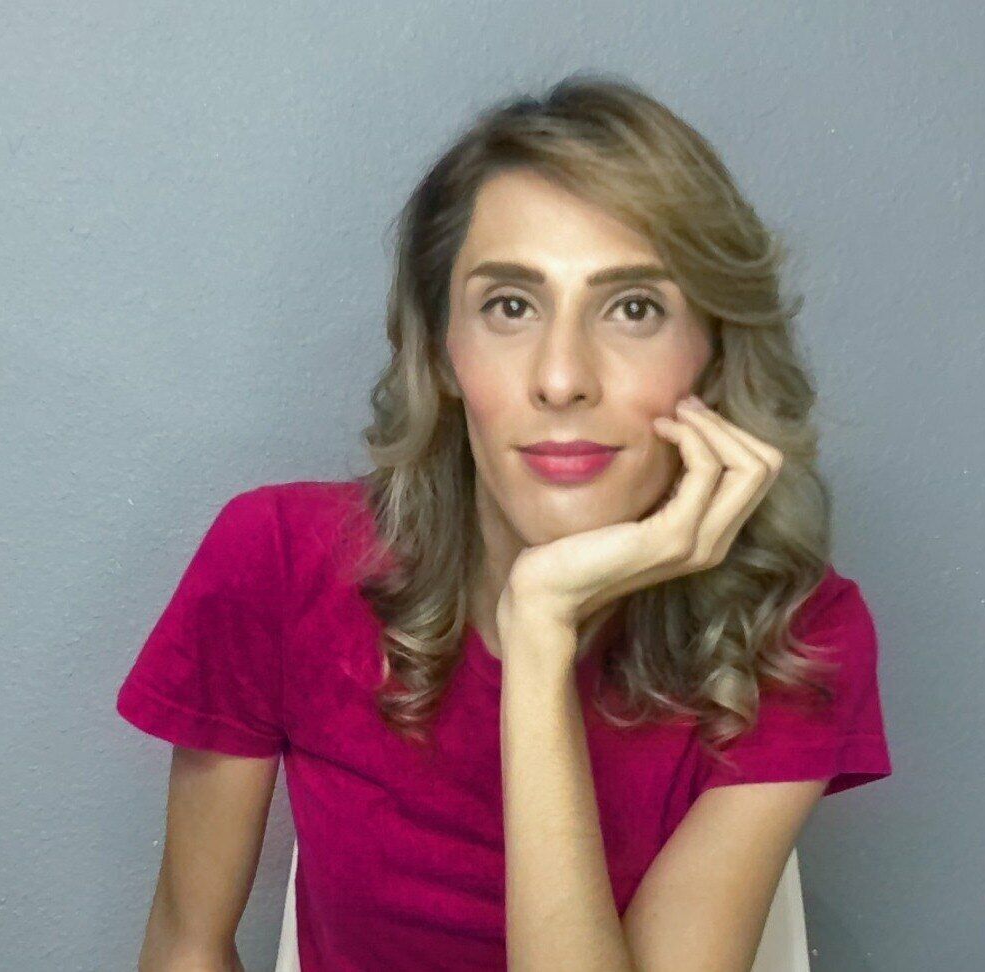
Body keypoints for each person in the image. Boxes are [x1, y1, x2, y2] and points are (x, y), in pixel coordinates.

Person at [116, 72, 893, 972]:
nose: (562, 378)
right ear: (443, 351)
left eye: (634, 309)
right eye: (510, 307)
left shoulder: (798, 637)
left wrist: (539, 629)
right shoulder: (281, 559)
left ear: (712, 357)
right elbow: (187, 946)